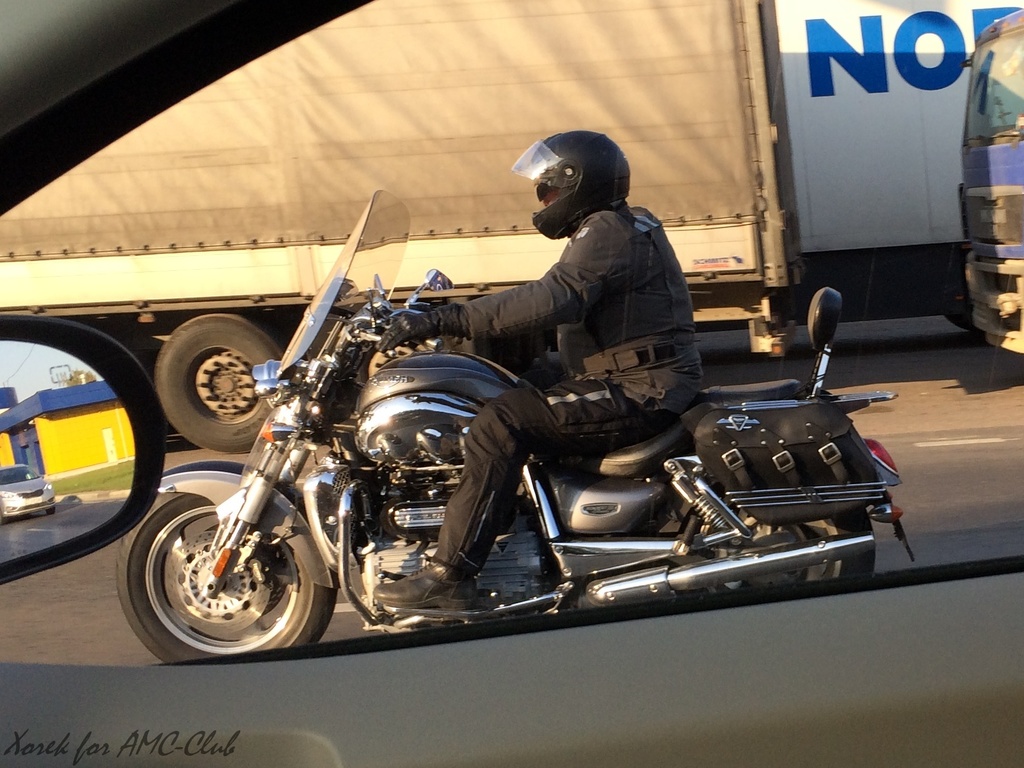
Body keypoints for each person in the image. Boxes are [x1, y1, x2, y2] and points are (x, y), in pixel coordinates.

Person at [372, 130, 702, 610]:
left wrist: (447, 318)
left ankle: (450, 575)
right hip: (628, 377)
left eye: (548, 189)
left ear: (577, 183)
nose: (542, 198)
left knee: (500, 423)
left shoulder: (607, 230)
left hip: (641, 389)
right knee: (501, 390)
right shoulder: (620, 224)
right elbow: (566, 304)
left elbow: (554, 297)